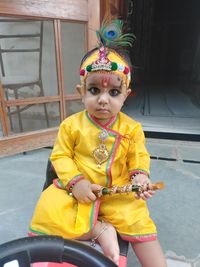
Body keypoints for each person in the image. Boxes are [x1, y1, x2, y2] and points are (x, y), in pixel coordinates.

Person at [29, 19, 167, 267]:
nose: (103, 100)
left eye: (114, 93)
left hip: (118, 194)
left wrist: (140, 178)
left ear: (126, 95)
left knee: (138, 221)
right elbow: (60, 157)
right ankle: (100, 230)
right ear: (81, 91)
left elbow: (139, 158)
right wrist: (77, 183)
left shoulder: (132, 129)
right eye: (94, 90)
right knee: (49, 210)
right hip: (76, 193)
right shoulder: (71, 126)